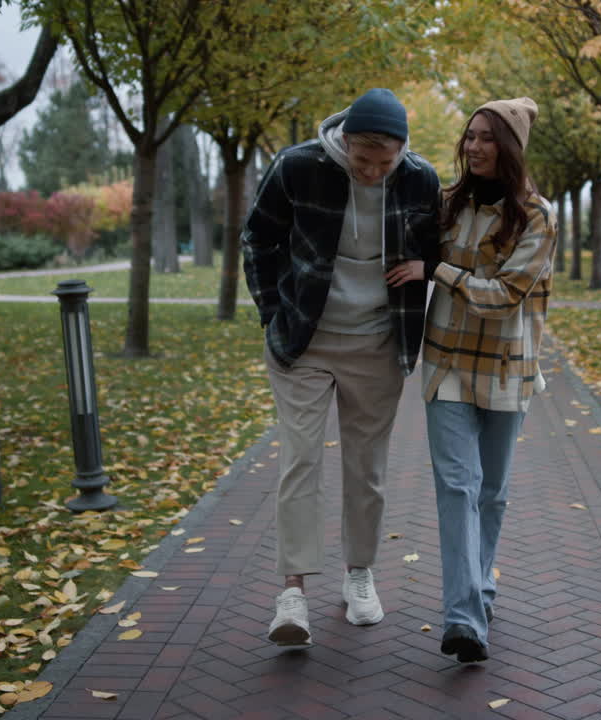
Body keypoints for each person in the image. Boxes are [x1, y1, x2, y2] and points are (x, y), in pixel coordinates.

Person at [242, 88, 441, 647]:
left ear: (402, 152)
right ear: (343, 143)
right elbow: (258, 237)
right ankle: (293, 593)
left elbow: (439, 247)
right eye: (362, 162)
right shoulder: (297, 166)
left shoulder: (420, 178)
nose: (374, 173)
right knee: (300, 461)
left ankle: (359, 575)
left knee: (366, 468)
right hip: (304, 341)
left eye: (386, 163)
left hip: (378, 344)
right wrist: (271, 313)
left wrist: (425, 267)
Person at [420, 97, 556, 662]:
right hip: (447, 362)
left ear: (511, 147)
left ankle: (480, 588)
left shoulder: (537, 215)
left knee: (492, 493)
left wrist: (441, 271)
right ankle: (464, 618)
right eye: (469, 136)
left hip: (507, 366)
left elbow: (503, 298)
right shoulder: (448, 204)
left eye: (487, 137)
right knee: (459, 487)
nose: (474, 146)